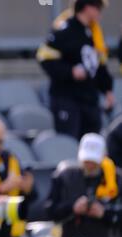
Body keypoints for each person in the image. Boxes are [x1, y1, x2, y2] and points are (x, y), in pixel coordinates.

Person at [37, 0, 114, 140]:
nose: (100, 12)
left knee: (92, 143)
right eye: (97, 7)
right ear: (86, 7)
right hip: (67, 99)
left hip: (90, 99)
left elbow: (99, 65)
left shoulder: (94, 33)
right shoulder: (65, 29)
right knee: (69, 142)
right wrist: (70, 71)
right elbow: (44, 57)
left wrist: (107, 89)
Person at [46, 133, 122, 237]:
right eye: (87, 161)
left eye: (94, 161)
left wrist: (104, 213)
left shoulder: (116, 180)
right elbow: (50, 211)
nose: (90, 165)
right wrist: (72, 208)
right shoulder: (65, 177)